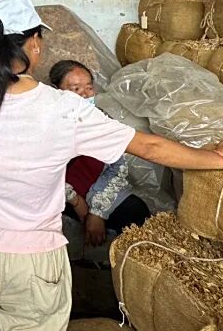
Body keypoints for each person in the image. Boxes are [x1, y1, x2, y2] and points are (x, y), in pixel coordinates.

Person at [0, 0, 223, 331]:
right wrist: (219, 158)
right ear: (35, 44)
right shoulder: (65, 109)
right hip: (31, 260)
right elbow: (149, 147)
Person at [48, 60, 151, 248]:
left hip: (100, 190)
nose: (85, 95)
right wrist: (76, 201)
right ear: (56, 91)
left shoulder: (100, 119)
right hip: (61, 195)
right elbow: (43, 174)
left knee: (136, 213)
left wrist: (98, 212)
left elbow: (117, 167)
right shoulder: (47, 125)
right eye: (76, 89)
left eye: (89, 88)